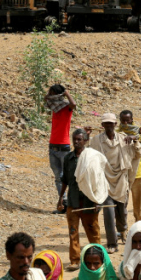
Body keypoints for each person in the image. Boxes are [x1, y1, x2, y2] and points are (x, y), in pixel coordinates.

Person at [87, 113, 141, 254]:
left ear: (115, 124)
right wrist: (86, 135)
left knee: (121, 211)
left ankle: (123, 230)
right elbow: (87, 154)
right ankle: (112, 243)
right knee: (108, 211)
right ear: (103, 125)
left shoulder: (124, 139)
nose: (108, 126)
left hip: (121, 180)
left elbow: (139, 153)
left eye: (111, 123)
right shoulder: (96, 141)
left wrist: (136, 141)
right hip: (105, 181)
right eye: (106, 123)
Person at [57, 129, 104, 270]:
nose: (76, 142)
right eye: (74, 139)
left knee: (93, 231)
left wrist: (97, 200)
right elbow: (65, 179)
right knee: (73, 231)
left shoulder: (92, 158)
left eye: (79, 139)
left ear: (85, 141)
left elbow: (98, 180)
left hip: (89, 201)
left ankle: (99, 259)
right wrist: (60, 199)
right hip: (73, 200)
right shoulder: (68, 158)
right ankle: (75, 260)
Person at [117, 110, 141, 222]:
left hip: (138, 171)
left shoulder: (140, 131)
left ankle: (139, 223)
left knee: (139, 201)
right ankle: (122, 227)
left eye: (128, 120)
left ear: (132, 120)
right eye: (123, 121)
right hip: (123, 171)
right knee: (121, 201)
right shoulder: (117, 132)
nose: (126, 123)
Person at [45, 84, 77, 212]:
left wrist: (66, 93)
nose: (51, 95)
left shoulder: (65, 107)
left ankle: (71, 203)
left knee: (67, 177)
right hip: (52, 146)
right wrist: (54, 95)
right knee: (58, 177)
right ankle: (63, 204)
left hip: (64, 146)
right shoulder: (54, 107)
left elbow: (73, 104)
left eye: (54, 93)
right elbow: (45, 97)